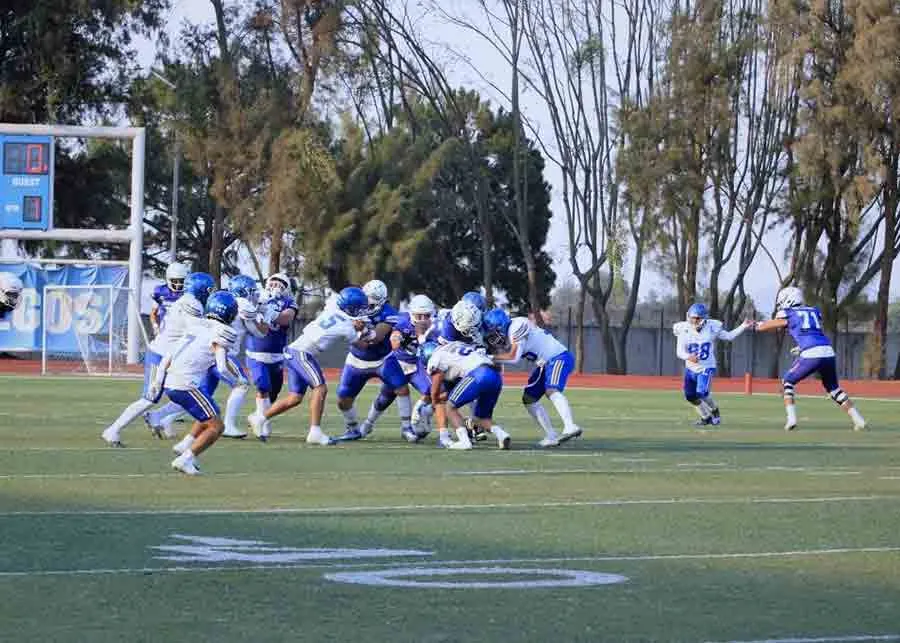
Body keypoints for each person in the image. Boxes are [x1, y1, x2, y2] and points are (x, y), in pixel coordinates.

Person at [101, 272, 214, 447]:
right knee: (150, 397)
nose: (209, 293)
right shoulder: (191, 304)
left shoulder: (188, 301)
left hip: (172, 354)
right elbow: (197, 329)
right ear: (200, 289)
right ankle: (113, 430)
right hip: (161, 353)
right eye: (208, 290)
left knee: (187, 390)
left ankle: (158, 418)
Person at [248, 287, 371, 445]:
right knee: (320, 388)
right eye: (359, 308)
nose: (362, 311)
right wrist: (365, 332)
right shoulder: (346, 327)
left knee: (295, 397)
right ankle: (315, 432)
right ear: (350, 307)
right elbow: (362, 345)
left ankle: (260, 418)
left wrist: (356, 325)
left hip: (294, 350)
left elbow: (342, 320)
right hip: (301, 353)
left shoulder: (332, 307)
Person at [154, 290, 242, 475]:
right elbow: (222, 366)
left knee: (212, 414)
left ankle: (185, 445)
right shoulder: (223, 331)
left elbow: (167, 358)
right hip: (185, 384)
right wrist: (237, 381)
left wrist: (158, 382)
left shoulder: (196, 326)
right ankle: (186, 458)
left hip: (171, 381)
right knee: (217, 426)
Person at [755, 287, 866, 432]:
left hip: (811, 353)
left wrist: (756, 325)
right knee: (833, 389)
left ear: (788, 299)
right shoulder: (814, 311)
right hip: (827, 351)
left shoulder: (788, 312)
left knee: (788, 381)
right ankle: (859, 420)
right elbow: (811, 332)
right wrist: (802, 348)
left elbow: (769, 325)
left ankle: (791, 420)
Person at [331, 279, 414, 443]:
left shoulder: (389, 313)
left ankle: (406, 428)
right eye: (366, 298)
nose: (368, 303)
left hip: (382, 359)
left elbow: (376, 337)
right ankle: (353, 428)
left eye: (373, 299)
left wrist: (362, 329)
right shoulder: (352, 307)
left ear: (382, 300)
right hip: (356, 360)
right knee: (343, 400)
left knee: (402, 389)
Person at [483, 308, 580, 447]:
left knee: (551, 389)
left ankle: (570, 426)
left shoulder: (517, 326)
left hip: (558, 357)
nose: (493, 336)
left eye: (494, 331)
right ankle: (551, 435)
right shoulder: (510, 333)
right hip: (545, 363)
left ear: (501, 326)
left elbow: (513, 357)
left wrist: (488, 358)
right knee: (529, 398)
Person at [356, 293, 440, 441]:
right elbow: (394, 341)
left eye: (425, 315)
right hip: (398, 364)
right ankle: (367, 425)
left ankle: (418, 416)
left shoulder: (435, 326)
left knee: (433, 391)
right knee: (385, 398)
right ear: (412, 313)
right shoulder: (403, 321)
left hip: (417, 364)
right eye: (418, 315)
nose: (422, 319)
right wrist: (398, 338)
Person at [672, 303, 753, 426]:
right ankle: (706, 417)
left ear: (704, 319)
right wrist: (688, 357)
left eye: (697, 318)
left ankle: (715, 410)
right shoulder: (683, 328)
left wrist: (743, 326)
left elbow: (729, 336)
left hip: (706, 366)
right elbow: (679, 352)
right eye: (692, 317)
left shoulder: (711, 327)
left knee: (702, 393)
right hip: (690, 368)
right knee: (690, 396)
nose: (694, 320)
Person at [423, 340, 509, 450]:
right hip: (495, 376)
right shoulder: (455, 345)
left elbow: (435, 389)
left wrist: (434, 403)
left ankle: (464, 441)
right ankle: (502, 435)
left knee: (450, 407)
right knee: (480, 417)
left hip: (478, 374)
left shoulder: (436, 357)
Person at [245, 272, 298, 439]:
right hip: (256, 351)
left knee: (273, 392)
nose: (276, 285)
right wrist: (258, 304)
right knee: (263, 386)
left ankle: (259, 416)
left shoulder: (289, 301)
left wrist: (268, 311)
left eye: (280, 283)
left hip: (277, 355)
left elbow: (286, 319)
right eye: (273, 281)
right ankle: (263, 423)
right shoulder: (256, 296)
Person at [150, 262, 188, 336]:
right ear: (168, 279)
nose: (178, 284)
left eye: (181, 281)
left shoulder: (188, 293)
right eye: (175, 281)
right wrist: (155, 326)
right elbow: (153, 314)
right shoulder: (160, 291)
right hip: (165, 330)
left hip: (183, 332)